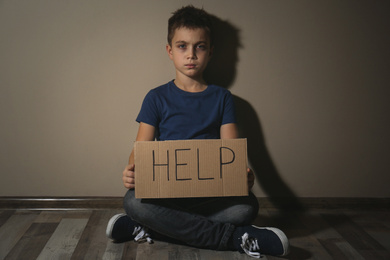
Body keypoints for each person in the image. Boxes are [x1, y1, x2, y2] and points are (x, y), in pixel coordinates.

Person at [106, 5, 289, 258]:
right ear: (170, 51)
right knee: (132, 201)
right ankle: (235, 238)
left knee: (246, 207)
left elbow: (231, 151)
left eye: (199, 47)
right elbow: (139, 152)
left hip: (210, 197)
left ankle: (149, 227)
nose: (191, 54)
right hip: (167, 196)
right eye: (182, 46)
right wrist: (131, 172)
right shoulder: (156, 97)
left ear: (210, 52)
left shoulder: (222, 98)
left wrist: (243, 175)